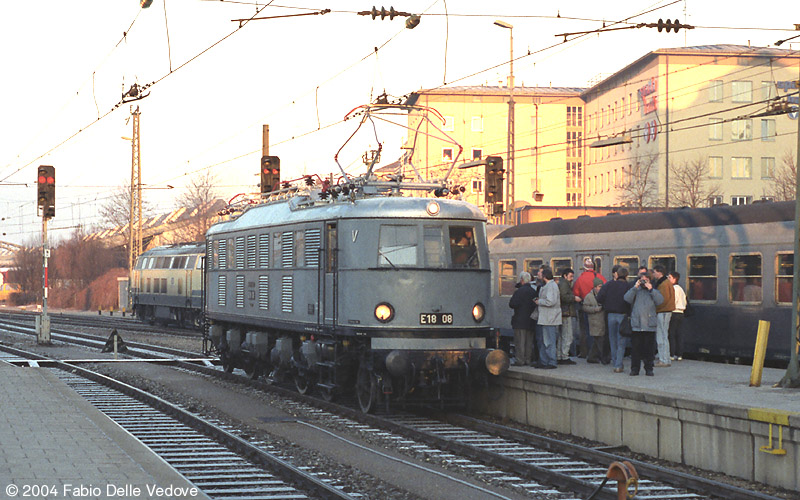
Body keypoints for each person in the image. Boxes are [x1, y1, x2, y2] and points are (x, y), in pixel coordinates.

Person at [624, 270, 664, 376]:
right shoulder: (635, 290)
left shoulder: (653, 291)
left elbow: (660, 301)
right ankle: (635, 369)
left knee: (649, 350)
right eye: (642, 280)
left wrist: (651, 289)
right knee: (635, 350)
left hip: (649, 325)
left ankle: (649, 368)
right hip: (637, 325)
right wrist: (635, 287)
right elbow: (626, 299)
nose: (643, 282)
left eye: (646, 280)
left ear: (650, 280)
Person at [597, 266, 633, 373]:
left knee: (612, 340)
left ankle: (615, 362)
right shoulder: (628, 286)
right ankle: (618, 365)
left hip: (610, 315)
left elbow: (599, 298)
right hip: (623, 315)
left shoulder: (608, 285)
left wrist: (606, 304)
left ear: (616, 275)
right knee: (621, 341)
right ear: (626, 276)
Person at [572, 257, 606, 358]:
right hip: (600, 309)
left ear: (584, 268)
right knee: (599, 331)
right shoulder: (600, 277)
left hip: (585, 309)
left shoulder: (580, 279)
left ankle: (585, 352)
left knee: (585, 331)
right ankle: (598, 353)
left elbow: (576, 294)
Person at [534, 267, 561, 369]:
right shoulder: (548, 286)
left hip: (550, 318)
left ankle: (551, 361)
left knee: (549, 341)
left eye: (541, 274)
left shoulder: (551, 286)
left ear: (544, 277)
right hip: (546, 318)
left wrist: (539, 302)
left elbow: (551, 301)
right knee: (545, 340)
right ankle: (544, 361)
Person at [508, 271, 536, 365]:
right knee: (529, 342)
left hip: (519, 321)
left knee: (520, 342)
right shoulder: (533, 291)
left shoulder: (519, 292)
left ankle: (520, 360)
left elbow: (512, 304)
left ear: (522, 280)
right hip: (531, 320)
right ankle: (528, 360)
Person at [652, 265, 675, 368]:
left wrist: (654, 306)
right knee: (664, 335)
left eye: (655, 272)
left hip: (663, 311)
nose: (653, 274)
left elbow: (662, 299)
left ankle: (663, 359)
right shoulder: (667, 283)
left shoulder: (663, 284)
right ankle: (666, 358)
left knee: (661, 336)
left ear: (659, 272)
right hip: (666, 311)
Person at [557, 268, 578, 365]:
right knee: (568, 335)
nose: (572, 279)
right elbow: (563, 296)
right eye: (570, 276)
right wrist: (574, 298)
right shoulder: (564, 284)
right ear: (565, 276)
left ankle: (559, 355)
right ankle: (564, 356)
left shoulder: (562, 283)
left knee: (562, 335)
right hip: (566, 312)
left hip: (562, 313)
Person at [584, 278, 607, 363]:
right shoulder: (589, 296)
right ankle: (602, 356)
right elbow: (585, 307)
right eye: (599, 286)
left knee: (597, 340)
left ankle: (592, 357)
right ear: (594, 287)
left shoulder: (603, 295)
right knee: (599, 339)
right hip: (594, 321)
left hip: (602, 320)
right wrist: (595, 309)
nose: (600, 288)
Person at [668, 271, 687, 361]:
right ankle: (679, 354)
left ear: (674, 279)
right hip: (681, 312)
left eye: (670, 278)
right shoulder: (681, 289)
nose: (668, 279)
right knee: (679, 334)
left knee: (671, 334)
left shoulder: (674, 289)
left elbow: (673, 301)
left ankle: (671, 354)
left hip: (674, 312)